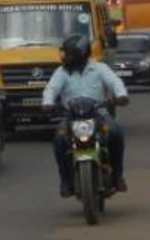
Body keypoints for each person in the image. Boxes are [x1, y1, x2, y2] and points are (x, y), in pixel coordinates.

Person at [41, 33, 130, 197]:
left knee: (116, 133)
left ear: (80, 53)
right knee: (59, 140)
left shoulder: (99, 68)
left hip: (98, 112)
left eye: (68, 53)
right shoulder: (62, 72)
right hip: (71, 115)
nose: (64, 57)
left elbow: (115, 82)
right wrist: (48, 103)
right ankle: (65, 180)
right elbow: (51, 89)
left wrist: (121, 95)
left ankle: (117, 176)